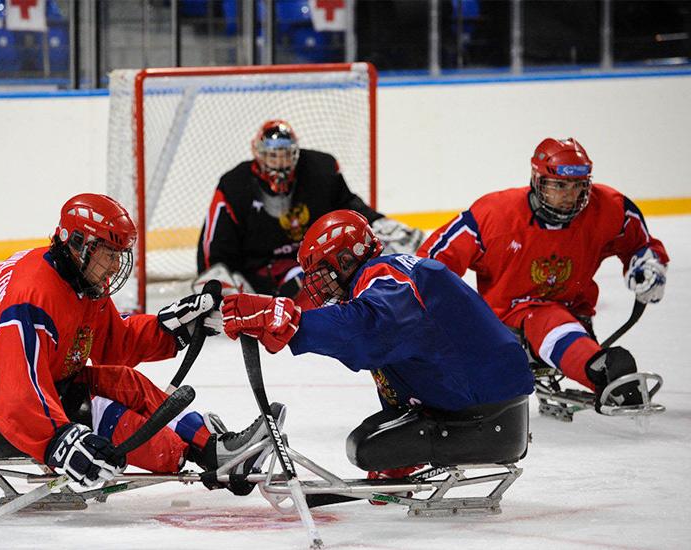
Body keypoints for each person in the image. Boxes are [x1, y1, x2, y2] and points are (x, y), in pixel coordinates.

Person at [0, 193, 284, 495]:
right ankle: (177, 455)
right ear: (80, 244)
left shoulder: (79, 279)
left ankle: (214, 450)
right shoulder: (32, 297)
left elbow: (115, 343)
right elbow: (16, 395)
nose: (116, 265)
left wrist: (171, 329)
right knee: (92, 412)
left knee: (121, 383)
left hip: (35, 391)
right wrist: (60, 442)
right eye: (110, 253)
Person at [220, 210, 534, 482]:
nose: (318, 286)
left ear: (345, 260)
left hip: (482, 417)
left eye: (321, 274)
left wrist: (293, 322)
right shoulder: (392, 275)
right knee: (376, 439)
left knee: (366, 446)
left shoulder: (383, 276)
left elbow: (368, 334)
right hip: (487, 403)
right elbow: (404, 356)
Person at [418, 137, 669, 411]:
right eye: (559, 185)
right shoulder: (496, 214)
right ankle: (600, 370)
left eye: (578, 186)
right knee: (546, 318)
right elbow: (431, 260)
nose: (570, 195)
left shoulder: (608, 207)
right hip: (506, 323)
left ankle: (596, 365)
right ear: (537, 180)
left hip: (576, 314)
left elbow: (641, 244)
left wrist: (648, 266)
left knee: (556, 320)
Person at [195, 119, 424, 300]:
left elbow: (347, 205)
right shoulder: (234, 185)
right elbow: (215, 242)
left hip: (316, 261)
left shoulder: (320, 169)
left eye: (285, 155)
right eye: (273, 156)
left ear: (296, 152)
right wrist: (213, 275)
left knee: (374, 253)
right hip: (260, 271)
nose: (280, 163)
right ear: (258, 154)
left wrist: (377, 222)